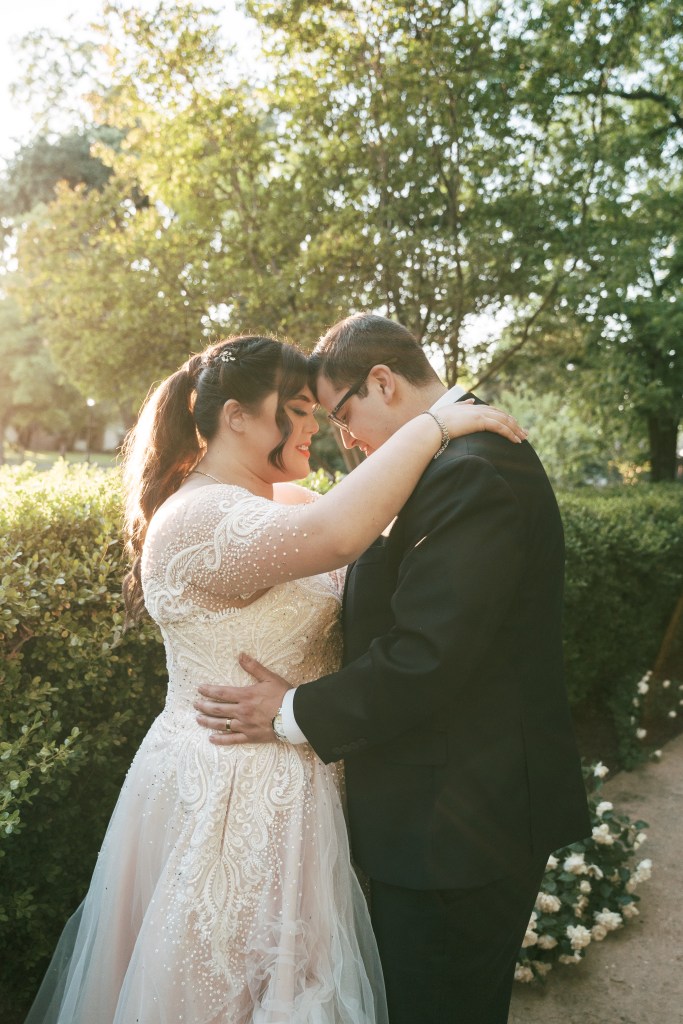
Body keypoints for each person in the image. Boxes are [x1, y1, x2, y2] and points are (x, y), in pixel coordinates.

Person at [25, 334, 525, 1024]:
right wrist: (433, 422)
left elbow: (368, 534)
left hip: (299, 784)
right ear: (236, 417)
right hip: (228, 797)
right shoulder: (199, 517)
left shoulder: (284, 499)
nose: (318, 425)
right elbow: (341, 536)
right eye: (297, 408)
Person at [194, 315, 592, 1024]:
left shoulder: (470, 473)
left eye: (343, 415)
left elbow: (425, 656)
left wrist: (290, 712)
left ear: (382, 381)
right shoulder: (446, 463)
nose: (344, 439)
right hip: (444, 812)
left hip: (460, 825)